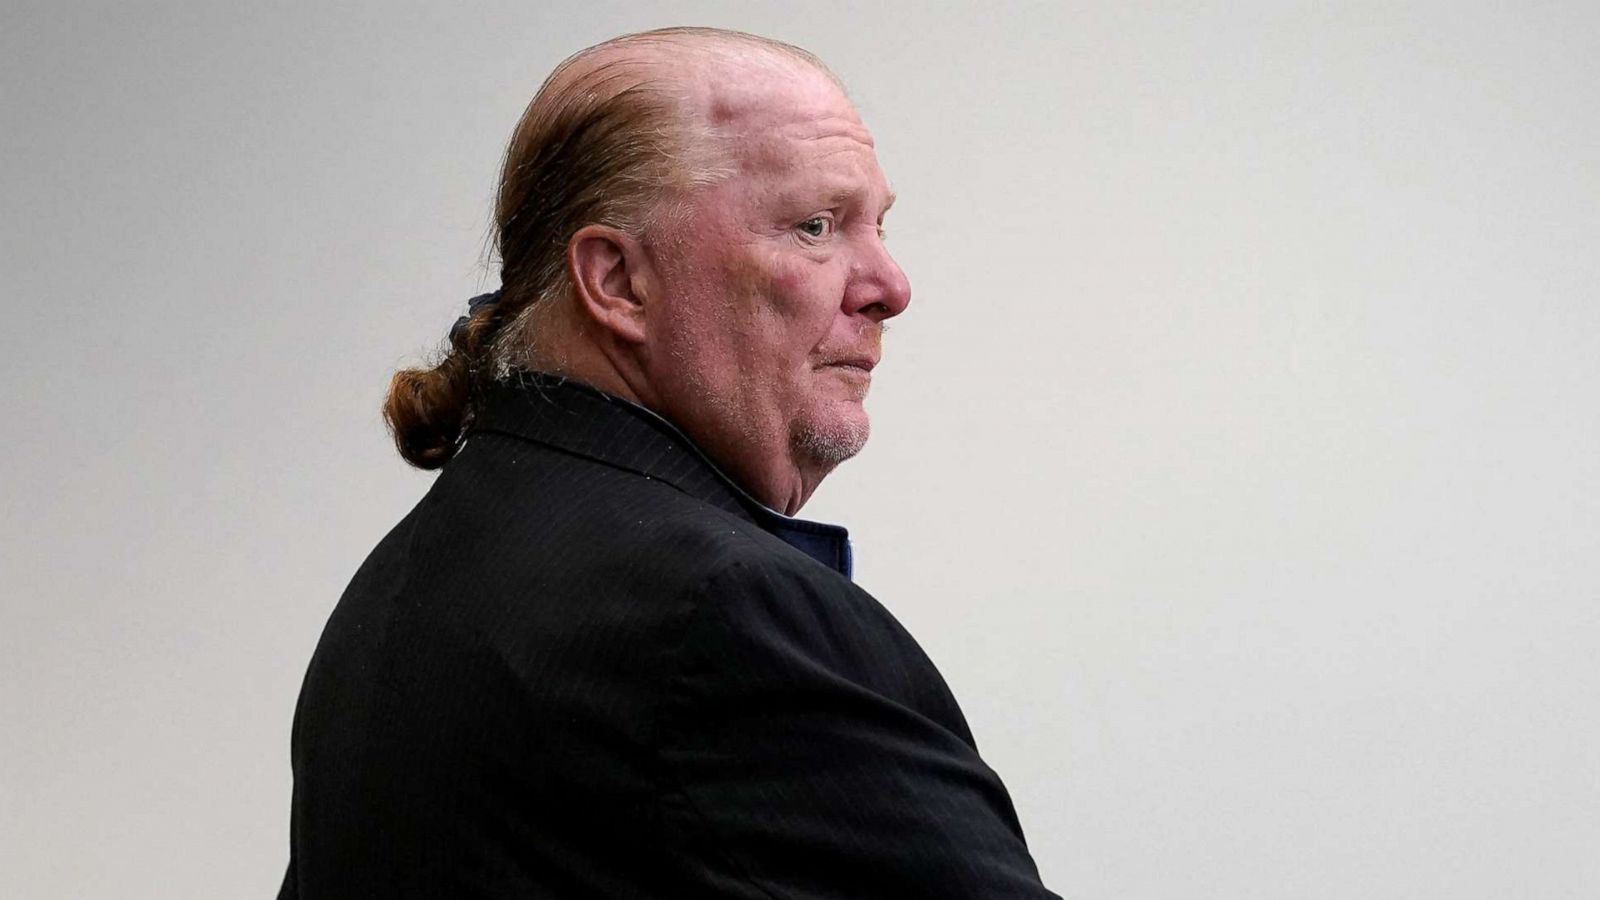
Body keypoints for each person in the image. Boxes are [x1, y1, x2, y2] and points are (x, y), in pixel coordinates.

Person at [280, 26, 1059, 899]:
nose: (890, 285)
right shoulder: (726, 618)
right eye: (815, 226)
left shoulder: (391, 592)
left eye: (878, 225)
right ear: (615, 282)